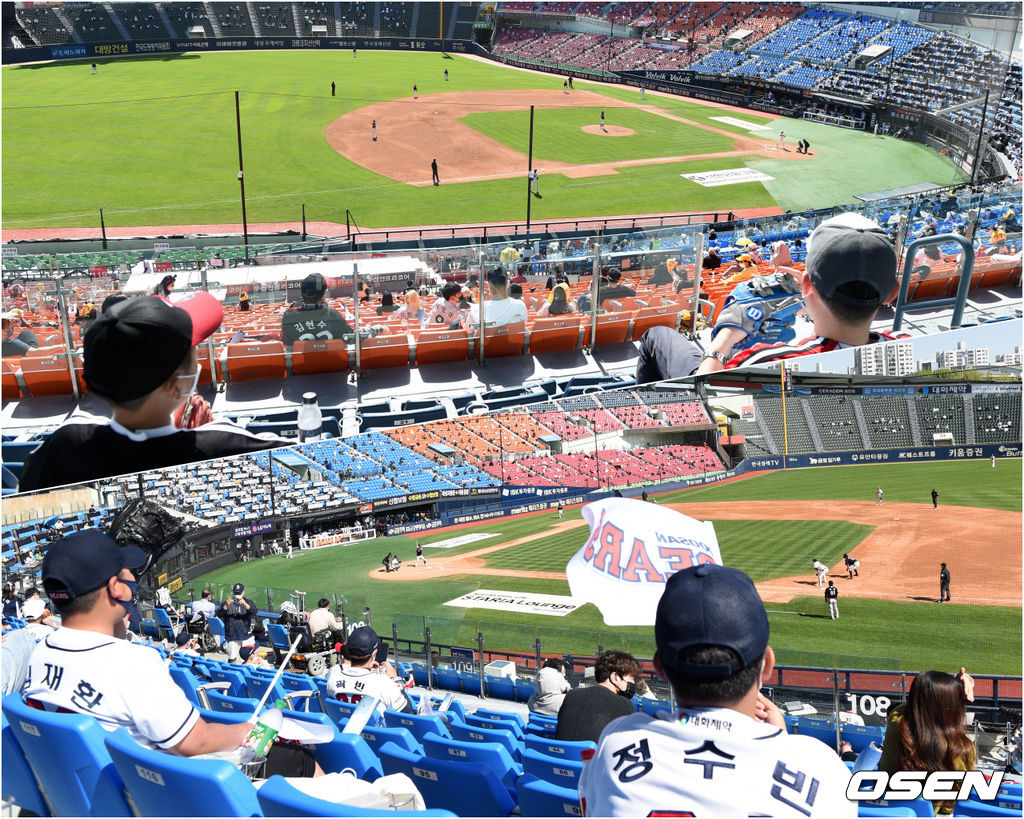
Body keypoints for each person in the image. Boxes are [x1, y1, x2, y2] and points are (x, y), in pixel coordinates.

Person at [24, 531, 317, 775]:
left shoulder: (40, 652)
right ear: (116, 588)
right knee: (302, 759)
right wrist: (248, 729)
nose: (132, 579)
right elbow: (194, 743)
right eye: (127, 572)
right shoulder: (133, 663)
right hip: (155, 790)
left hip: (93, 786)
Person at [578, 565, 854, 817]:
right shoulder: (823, 767)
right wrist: (780, 742)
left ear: (659, 668)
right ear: (767, 664)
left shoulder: (617, 740)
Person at [19, 294, 284, 493]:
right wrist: (201, 433)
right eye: (192, 352)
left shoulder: (65, 443)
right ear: (177, 385)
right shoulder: (223, 441)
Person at [635, 213, 901, 381]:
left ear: (806, 286)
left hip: (719, 379)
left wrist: (726, 335)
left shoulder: (767, 360)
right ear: (893, 292)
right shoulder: (903, 343)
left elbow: (704, 390)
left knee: (655, 336)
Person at [878, 668, 976, 815]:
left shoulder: (896, 720)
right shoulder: (962, 749)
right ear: (952, 707)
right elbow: (951, 806)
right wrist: (956, 688)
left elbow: (916, 704)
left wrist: (950, 687)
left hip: (885, 811)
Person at [554, 649, 641, 743]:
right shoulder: (625, 705)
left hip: (559, 756)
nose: (633, 683)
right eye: (632, 678)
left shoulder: (572, 695)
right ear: (615, 677)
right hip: (593, 757)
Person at [326, 626, 413, 714]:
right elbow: (407, 711)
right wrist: (395, 680)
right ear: (374, 653)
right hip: (375, 727)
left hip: (342, 726)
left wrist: (368, 671)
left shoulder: (333, 676)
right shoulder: (383, 683)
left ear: (348, 651)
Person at [281, 272, 354, 348]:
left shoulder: (289, 316)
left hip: (302, 360)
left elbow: (286, 345)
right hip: (331, 359)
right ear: (323, 297)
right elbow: (350, 337)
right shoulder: (333, 315)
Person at [217, 582, 256, 663]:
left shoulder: (248, 602)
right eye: (236, 592)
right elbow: (219, 614)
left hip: (246, 635)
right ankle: (232, 672)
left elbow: (254, 612)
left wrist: (245, 604)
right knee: (232, 658)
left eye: (239, 592)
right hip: (232, 636)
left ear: (243, 592)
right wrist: (226, 606)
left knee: (249, 657)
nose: (237, 594)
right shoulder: (226, 603)